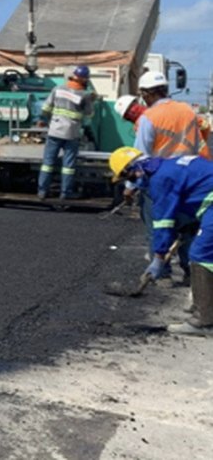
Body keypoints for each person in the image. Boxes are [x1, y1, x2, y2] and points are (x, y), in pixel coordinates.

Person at [110, 147, 213, 336]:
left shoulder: (160, 180)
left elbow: (163, 223)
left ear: (137, 169)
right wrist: (188, 226)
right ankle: (205, 304)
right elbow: (192, 193)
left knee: (201, 254)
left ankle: (203, 321)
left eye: (131, 178)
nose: (133, 183)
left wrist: (158, 258)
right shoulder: (168, 167)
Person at [125, 70, 210, 286]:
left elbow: (139, 157)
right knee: (190, 228)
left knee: (159, 223)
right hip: (189, 176)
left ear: (146, 93)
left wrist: (130, 186)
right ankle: (192, 271)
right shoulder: (187, 110)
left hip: (161, 177)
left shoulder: (149, 118)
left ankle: (161, 272)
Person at [36, 65, 95, 200]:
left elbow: (46, 108)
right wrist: (92, 100)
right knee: (68, 166)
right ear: (85, 79)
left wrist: (42, 120)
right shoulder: (84, 95)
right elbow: (89, 114)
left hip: (55, 130)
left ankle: (42, 191)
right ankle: (65, 193)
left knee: (47, 163)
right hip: (72, 133)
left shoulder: (58, 89)